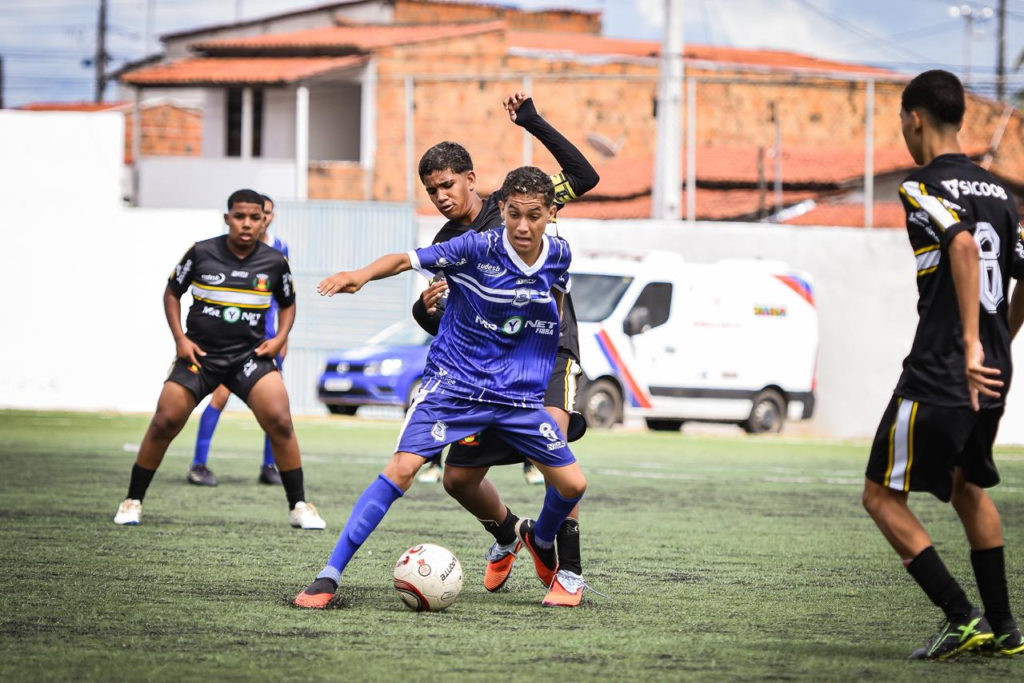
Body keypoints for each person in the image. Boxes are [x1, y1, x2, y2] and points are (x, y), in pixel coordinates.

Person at [294, 167, 585, 609]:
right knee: (403, 470)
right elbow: (404, 259)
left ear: (550, 215)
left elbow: (554, 302)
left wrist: (534, 354)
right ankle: (328, 575)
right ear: (502, 208)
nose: (523, 226)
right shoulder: (475, 246)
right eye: (514, 214)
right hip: (454, 388)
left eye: (534, 216)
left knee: (573, 484)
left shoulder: (559, 254)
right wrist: (360, 275)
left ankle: (540, 537)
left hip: (516, 397)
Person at [411, 92, 599, 607]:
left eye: (447, 184)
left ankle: (570, 573)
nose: (441, 196)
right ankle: (513, 533)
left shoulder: (517, 202)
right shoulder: (448, 242)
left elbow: (584, 177)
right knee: (457, 480)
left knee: (554, 451)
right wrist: (425, 311)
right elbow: (451, 320)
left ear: (471, 179)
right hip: (491, 370)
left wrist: (532, 121)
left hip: (550, 351)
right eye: (431, 190)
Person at [861, 70, 1023, 660]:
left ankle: (961, 617)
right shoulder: (1000, 193)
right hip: (993, 371)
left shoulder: (921, 186)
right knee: (966, 487)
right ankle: (1006, 629)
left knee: (880, 496)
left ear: (915, 118)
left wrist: (971, 344)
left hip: (944, 367)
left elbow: (960, 245)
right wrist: (999, 340)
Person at [114, 189, 325, 530]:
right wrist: (180, 340)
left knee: (280, 419)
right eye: (239, 217)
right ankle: (132, 500)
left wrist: (279, 338)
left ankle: (299, 506)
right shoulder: (201, 252)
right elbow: (172, 293)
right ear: (227, 218)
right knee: (165, 419)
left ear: (264, 220)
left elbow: (288, 303)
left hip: (249, 357)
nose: (247, 224)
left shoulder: (274, 261)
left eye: (255, 217)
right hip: (201, 355)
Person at [187, 194, 288, 487]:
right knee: (220, 395)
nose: (261, 218)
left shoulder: (279, 248)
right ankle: (198, 464)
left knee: (274, 404)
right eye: (257, 213)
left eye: (266, 213)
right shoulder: (225, 249)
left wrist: (283, 338)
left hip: (267, 339)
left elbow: (283, 297)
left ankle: (270, 466)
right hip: (235, 338)